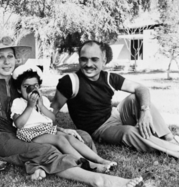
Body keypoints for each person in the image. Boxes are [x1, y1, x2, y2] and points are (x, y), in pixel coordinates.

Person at [0, 35, 145, 187]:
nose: (6, 62)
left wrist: (61, 129)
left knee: (82, 136)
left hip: (27, 133)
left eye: (10, 56)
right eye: (0, 57)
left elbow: (40, 118)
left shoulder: (21, 85)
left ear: (15, 59)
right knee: (46, 149)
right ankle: (98, 179)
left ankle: (42, 166)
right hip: (3, 138)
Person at [51, 40, 179, 158]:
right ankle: (173, 150)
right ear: (79, 60)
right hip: (100, 129)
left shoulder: (108, 78)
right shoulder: (70, 82)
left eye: (94, 59)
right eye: (84, 59)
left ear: (104, 60)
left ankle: (169, 138)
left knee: (136, 98)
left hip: (115, 114)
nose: (88, 64)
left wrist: (145, 112)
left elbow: (141, 88)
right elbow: (53, 110)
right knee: (130, 132)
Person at [11, 64, 117, 173]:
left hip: (46, 130)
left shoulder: (44, 101)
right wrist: (30, 106)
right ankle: (87, 164)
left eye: (35, 86)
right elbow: (19, 124)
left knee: (70, 138)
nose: (31, 89)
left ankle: (100, 160)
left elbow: (52, 119)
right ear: (19, 90)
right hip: (30, 133)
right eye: (26, 86)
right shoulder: (18, 102)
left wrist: (41, 106)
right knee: (60, 139)